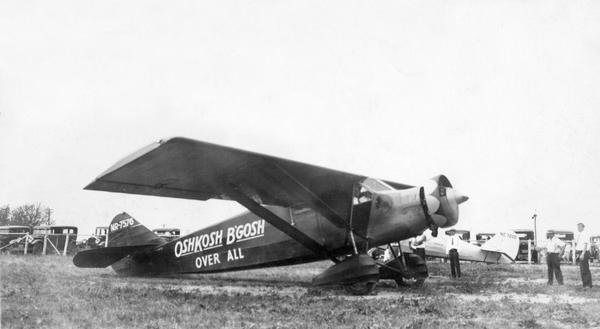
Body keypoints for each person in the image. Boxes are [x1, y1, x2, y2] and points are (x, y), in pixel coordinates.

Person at [575, 222, 592, 288]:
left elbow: (585, 244)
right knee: (582, 269)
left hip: (584, 252)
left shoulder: (585, 234)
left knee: (585, 269)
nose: (578, 228)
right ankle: (585, 284)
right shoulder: (580, 234)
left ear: (583, 227)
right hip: (580, 252)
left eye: (579, 227)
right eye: (577, 227)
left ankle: (588, 284)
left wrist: (582, 254)